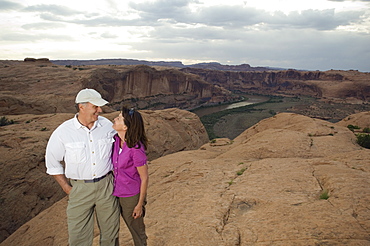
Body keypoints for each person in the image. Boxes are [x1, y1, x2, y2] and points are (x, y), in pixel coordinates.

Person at [45, 88, 120, 246]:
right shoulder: (63, 132)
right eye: (95, 107)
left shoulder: (106, 125)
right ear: (82, 107)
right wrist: (67, 188)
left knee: (110, 235)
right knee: (78, 238)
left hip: (106, 187)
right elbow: (52, 163)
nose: (100, 110)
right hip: (79, 189)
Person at [112, 106, 149, 246]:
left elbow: (144, 178)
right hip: (114, 193)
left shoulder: (136, 149)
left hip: (130, 196)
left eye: (119, 118)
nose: (115, 119)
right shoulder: (116, 141)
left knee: (136, 230)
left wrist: (139, 204)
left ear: (126, 126)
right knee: (111, 228)